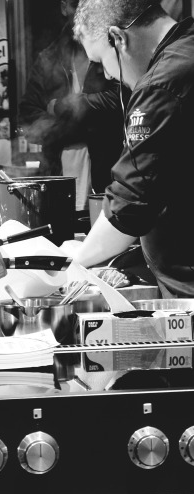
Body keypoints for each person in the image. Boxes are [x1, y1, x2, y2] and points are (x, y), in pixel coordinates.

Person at [60, 0, 194, 298]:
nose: (108, 76)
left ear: (118, 38)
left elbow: (131, 204)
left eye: (101, 61)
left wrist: (76, 265)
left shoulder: (161, 85)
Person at [19, 0, 127, 213]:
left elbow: (124, 99)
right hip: (58, 171)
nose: (81, 10)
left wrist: (66, 106)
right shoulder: (48, 57)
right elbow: (27, 116)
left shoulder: (110, 49)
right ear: (63, 7)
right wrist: (76, 126)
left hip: (110, 170)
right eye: (74, 4)